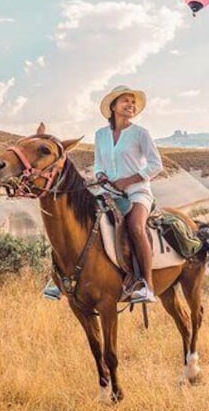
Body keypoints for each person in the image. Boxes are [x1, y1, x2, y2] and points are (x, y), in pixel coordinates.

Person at [43, 85, 163, 304]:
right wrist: (100, 174)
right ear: (113, 106)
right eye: (125, 101)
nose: (131, 105)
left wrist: (130, 179)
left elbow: (156, 164)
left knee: (135, 226)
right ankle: (59, 280)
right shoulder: (101, 135)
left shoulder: (140, 133)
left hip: (138, 192)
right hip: (107, 191)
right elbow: (99, 162)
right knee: (76, 222)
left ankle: (147, 285)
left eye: (133, 102)